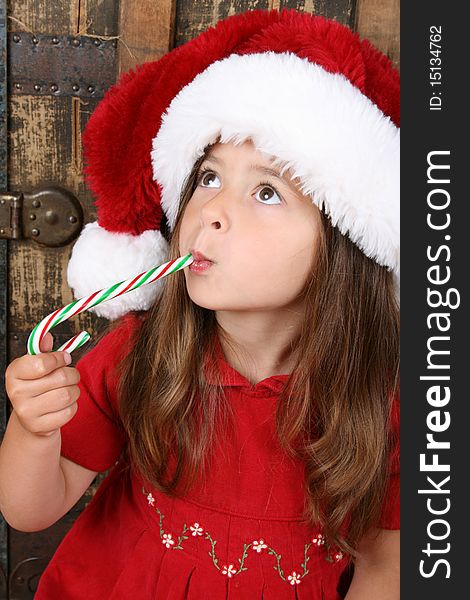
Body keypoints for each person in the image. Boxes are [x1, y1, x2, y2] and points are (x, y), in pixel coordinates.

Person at [0, 8, 399, 599]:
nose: (212, 210)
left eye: (267, 191)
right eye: (208, 178)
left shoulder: (383, 397)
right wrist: (33, 433)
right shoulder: (142, 352)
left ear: (345, 243)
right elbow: (29, 511)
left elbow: (384, 569)